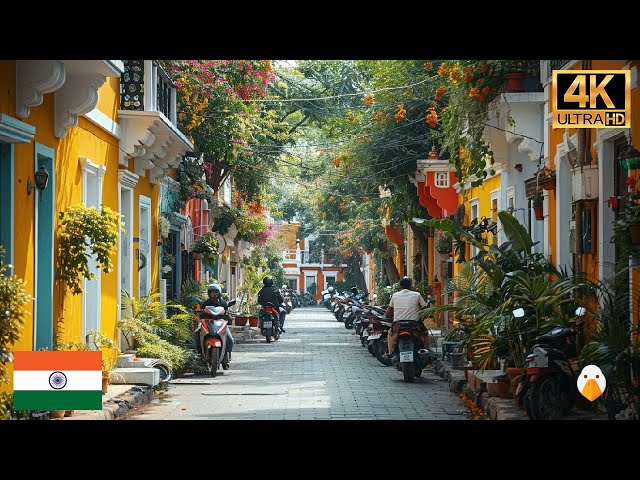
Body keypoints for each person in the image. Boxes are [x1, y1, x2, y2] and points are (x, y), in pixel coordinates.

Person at [384, 277, 430, 359]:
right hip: (414, 324)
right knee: (425, 334)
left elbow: (388, 312)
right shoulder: (417, 295)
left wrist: (389, 315)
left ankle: (390, 353)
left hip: (398, 324)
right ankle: (426, 353)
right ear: (410, 286)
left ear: (400, 286)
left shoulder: (395, 296)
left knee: (390, 333)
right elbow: (425, 307)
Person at [195, 284, 234, 359]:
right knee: (196, 333)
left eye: (216, 292)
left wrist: (228, 317)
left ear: (219, 293)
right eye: (211, 292)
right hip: (208, 323)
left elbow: (227, 313)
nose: (214, 294)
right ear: (209, 293)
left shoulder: (223, 303)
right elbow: (201, 314)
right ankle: (199, 353)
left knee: (230, 339)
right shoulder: (206, 303)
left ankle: (227, 354)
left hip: (220, 324)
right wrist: (200, 314)